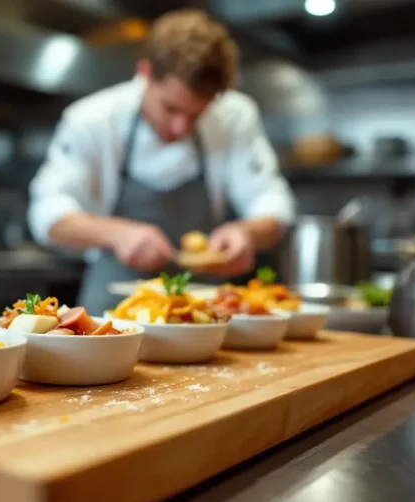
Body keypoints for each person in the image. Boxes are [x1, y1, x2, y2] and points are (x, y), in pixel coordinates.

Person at [27, 9, 296, 315]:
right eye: (170, 108)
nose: (181, 127)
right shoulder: (91, 119)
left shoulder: (235, 116)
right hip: (111, 312)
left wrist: (247, 234)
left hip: (202, 312)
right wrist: (116, 233)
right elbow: (47, 214)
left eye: (197, 114)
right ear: (145, 72)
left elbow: (271, 201)